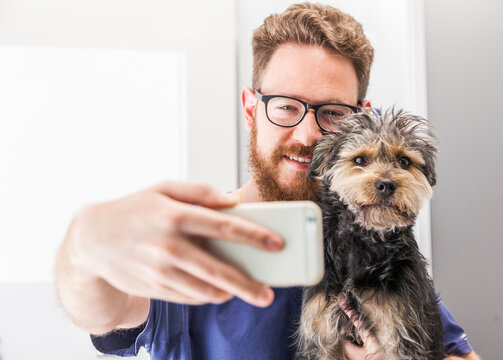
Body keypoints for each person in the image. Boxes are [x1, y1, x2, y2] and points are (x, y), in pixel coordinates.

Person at [55, 3, 479, 359]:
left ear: (361, 119)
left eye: (333, 112)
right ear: (250, 108)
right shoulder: (193, 239)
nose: (308, 134)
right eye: (285, 106)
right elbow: (103, 313)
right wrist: (82, 246)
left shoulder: (378, 247)